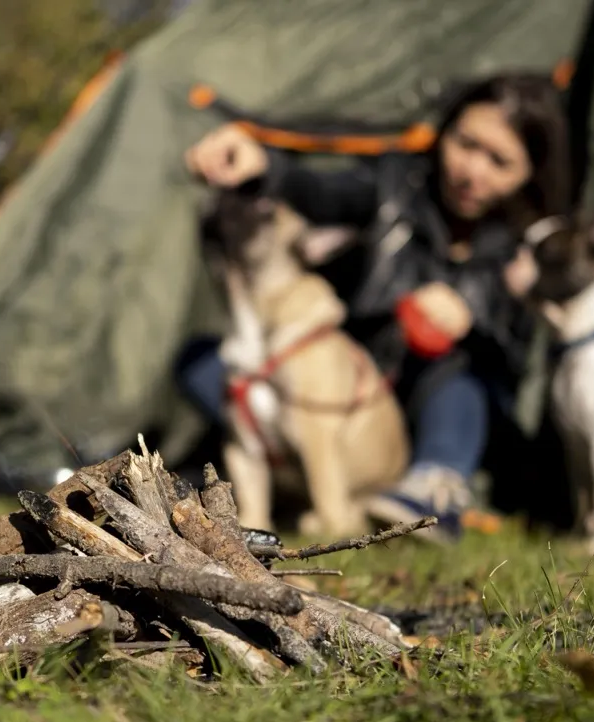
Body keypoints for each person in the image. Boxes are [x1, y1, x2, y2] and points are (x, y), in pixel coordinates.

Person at [177, 72, 571, 541]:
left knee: (463, 379)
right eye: (465, 143)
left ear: (530, 173)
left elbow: (514, 356)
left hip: (438, 409)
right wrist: (263, 166)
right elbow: (324, 193)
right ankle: (290, 485)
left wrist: (472, 307)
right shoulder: (396, 180)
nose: (472, 170)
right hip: (347, 397)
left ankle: (431, 488)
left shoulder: (533, 249)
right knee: (202, 361)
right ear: (444, 131)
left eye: (499, 161)